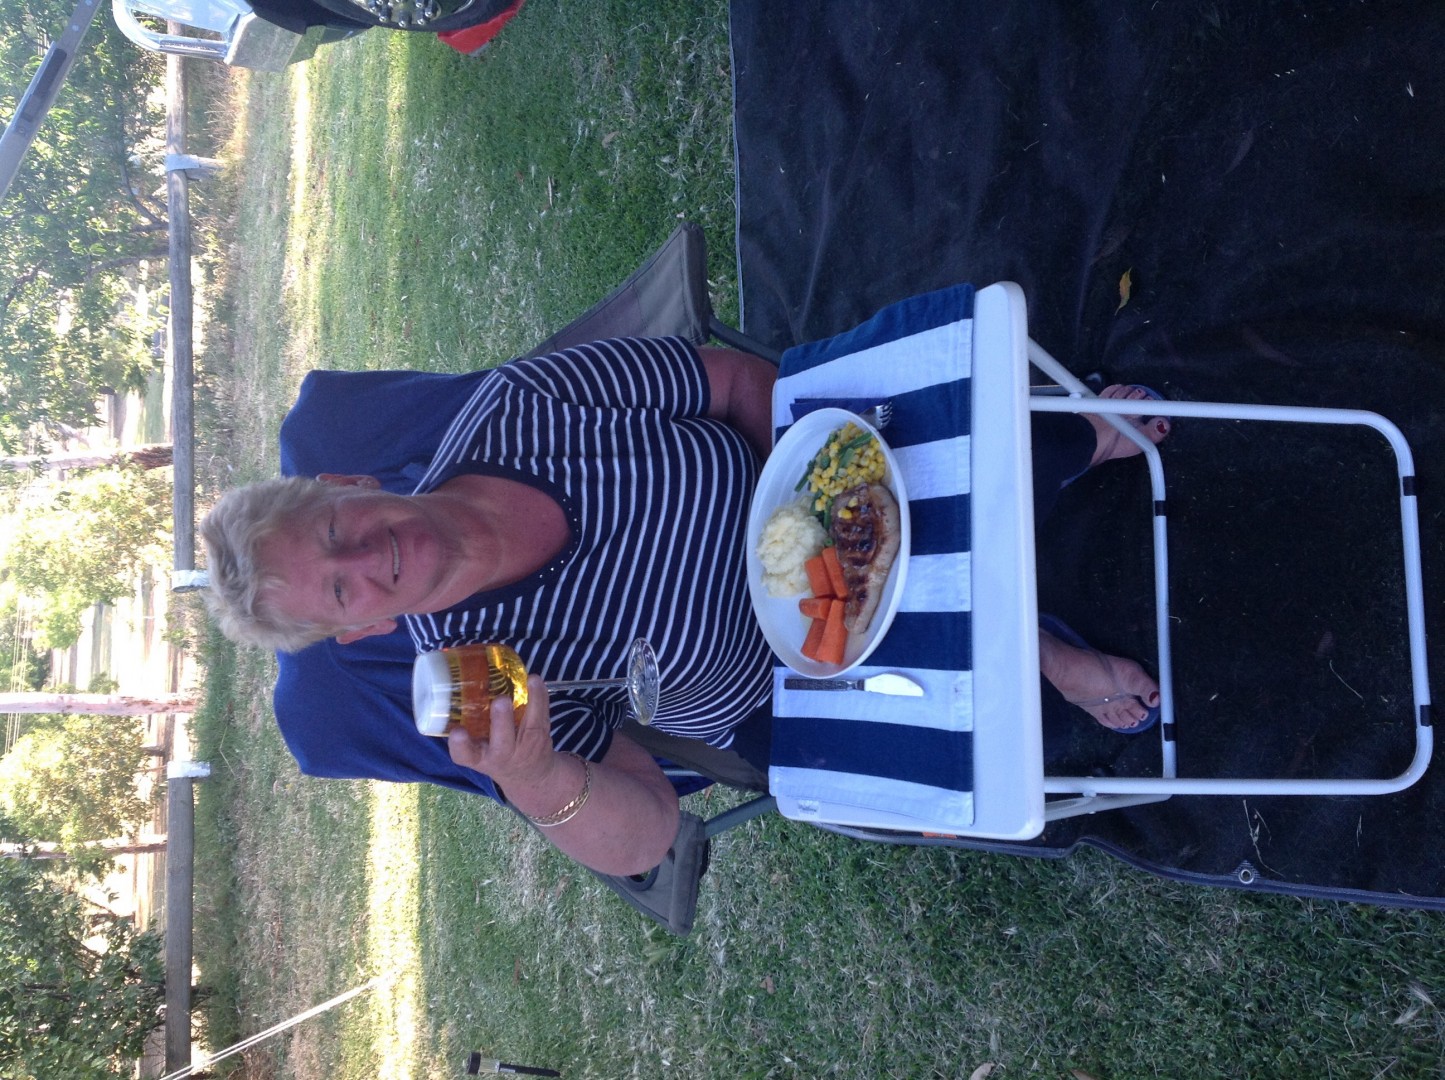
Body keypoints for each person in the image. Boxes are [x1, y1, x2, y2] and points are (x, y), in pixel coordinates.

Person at [201, 335, 1168, 876]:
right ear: (363, 628)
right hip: (795, 684)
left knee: (947, 469)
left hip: (816, 488)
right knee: (947, 788)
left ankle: (1075, 450)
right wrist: (537, 778)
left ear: (345, 482)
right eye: (341, 589)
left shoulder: (515, 410)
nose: (366, 558)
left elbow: (727, 381)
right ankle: (1039, 651)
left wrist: (820, 483)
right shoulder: (484, 676)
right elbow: (649, 832)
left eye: (335, 529)